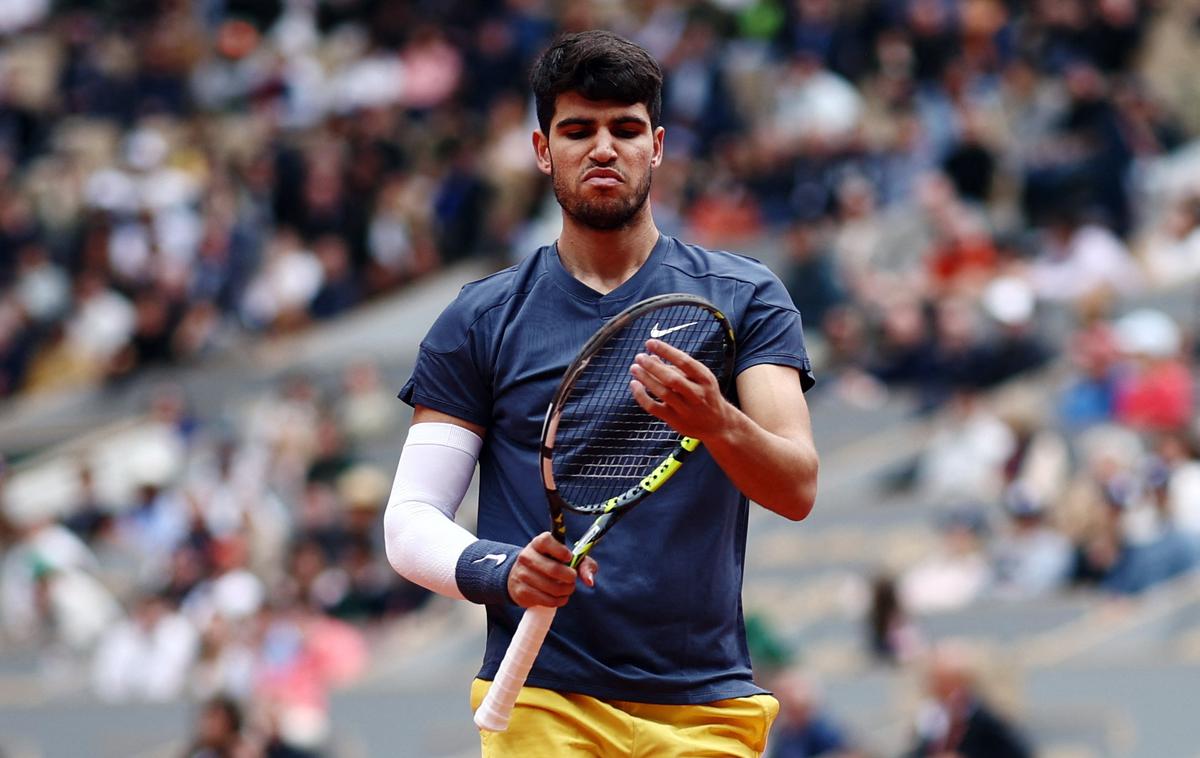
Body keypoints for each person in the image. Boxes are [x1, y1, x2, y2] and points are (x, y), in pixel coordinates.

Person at [383, 30, 818, 758]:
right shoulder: (480, 319)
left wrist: (716, 421)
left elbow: (798, 487)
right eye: (578, 130)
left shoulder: (747, 298)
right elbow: (410, 520)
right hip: (544, 703)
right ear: (542, 149)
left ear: (659, 144)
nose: (604, 148)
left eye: (625, 128)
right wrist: (500, 569)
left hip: (707, 704)